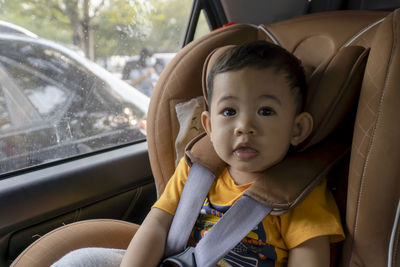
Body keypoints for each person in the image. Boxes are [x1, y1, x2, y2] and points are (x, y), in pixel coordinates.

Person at [52, 41, 344, 267]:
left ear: (297, 128)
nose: (244, 127)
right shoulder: (195, 171)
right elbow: (156, 225)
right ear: (209, 125)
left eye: (265, 111)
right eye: (229, 111)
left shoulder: (300, 197)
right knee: (82, 260)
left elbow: (310, 258)